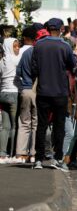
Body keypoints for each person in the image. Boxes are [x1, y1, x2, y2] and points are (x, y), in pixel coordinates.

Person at [31, 18, 76, 171]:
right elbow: (72, 65)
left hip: (43, 91)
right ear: (61, 29)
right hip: (60, 91)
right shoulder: (65, 46)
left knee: (42, 126)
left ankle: (38, 159)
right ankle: (57, 158)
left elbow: (34, 68)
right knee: (59, 126)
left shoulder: (38, 45)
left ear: (48, 28)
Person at [14, 27, 42, 163]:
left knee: (24, 122)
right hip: (37, 90)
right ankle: (33, 154)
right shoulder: (39, 52)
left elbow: (18, 71)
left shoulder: (25, 53)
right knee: (36, 123)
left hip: (25, 90)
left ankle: (20, 154)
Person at [0, 37, 21, 162]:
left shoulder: (1, 61)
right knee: (14, 126)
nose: (17, 49)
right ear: (9, 47)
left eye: (18, 46)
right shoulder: (14, 59)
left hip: (3, 94)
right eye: (15, 46)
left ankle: (2, 154)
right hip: (13, 93)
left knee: (5, 126)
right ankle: (13, 154)